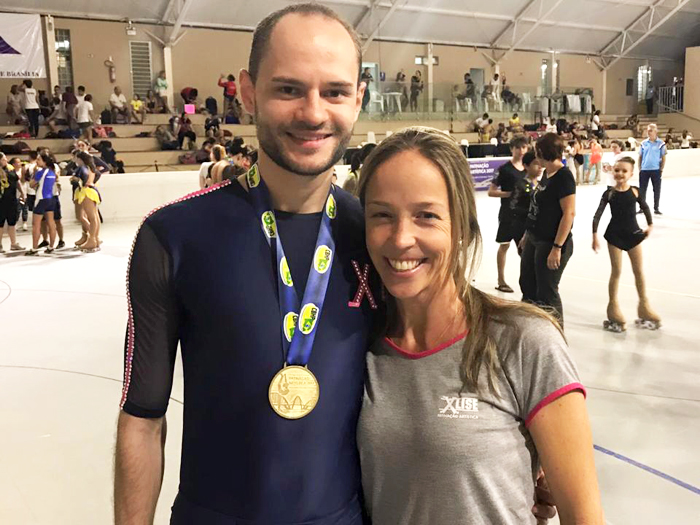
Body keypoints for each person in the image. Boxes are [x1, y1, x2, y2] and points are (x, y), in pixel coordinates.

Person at [114, 5, 558, 524]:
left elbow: (441, 348)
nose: (313, 112)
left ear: (358, 98)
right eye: (288, 89)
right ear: (248, 91)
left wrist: (517, 445)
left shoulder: (381, 240)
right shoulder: (174, 237)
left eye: (334, 91)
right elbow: (143, 420)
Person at [356, 127, 602, 525]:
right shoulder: (359, 350)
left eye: (427, 216)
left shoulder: (526, 342)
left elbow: (585, 517)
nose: (401, 238)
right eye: (381, 215)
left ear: (461, 230)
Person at [592, 157, 660, 331]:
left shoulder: (635, 192)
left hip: (633, 235)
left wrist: (650, 225)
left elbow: (644, 207)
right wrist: (594, 235)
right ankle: (613, 309)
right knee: (616, 272)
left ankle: (644, 307)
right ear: (612, 172)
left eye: (624, 171)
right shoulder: (609, 193)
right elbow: (598, 214)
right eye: (617, 170)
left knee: (638, 272)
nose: (620, 173)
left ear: (631, 173)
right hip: (614, 236)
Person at [518, 133, 576, 325]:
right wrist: (527, 234)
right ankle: (532, 327)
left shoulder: (564, 177)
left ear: (542, 152)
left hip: (551, 241)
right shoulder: (546, 175)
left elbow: (569, 214)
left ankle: (555, 333)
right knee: (527, 284)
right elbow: (537, 209)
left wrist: (557, 247)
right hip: (535, 237)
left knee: (547, 291)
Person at [488, 136, 528, 293]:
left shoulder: (528, 169)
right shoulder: (504, 169)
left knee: (524, 249)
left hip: (523, 215)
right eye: (518, 147)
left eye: (524, 147)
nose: (521, 151)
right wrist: (509, 194)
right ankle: (501, 280)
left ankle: (528, 280)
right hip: (507, 214)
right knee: (504, 245)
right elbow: (491, 192)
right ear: (512, 149)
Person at [25, 153, 57, 255]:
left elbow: (31, 184)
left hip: (41, 199)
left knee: (36, 225)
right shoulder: (52, 172)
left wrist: (34, 174)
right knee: (51, 223)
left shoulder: (40, 172)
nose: (37, 161)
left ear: (44, 162)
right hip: (50, 199)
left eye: (39, 160)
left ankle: (34, 248)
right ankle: (51, 246)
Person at [510, 150, 542, 250]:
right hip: (522, 226)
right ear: (526, 166)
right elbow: (513, 206)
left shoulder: (542, 184)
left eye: (540, 163)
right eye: (536, 164)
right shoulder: (520, 184)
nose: (540, 167)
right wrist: (531, 212)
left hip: (538, 227)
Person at [72, 151, 102, 252]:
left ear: (80, 159)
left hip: (87, 191)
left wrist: (78, 180)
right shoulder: (91, 167)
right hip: (92, 190)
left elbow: (83, 177)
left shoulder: (83, 168)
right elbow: (98, 174)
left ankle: (92, 239)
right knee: (94, 217)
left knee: (92, 217)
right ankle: (94, 238)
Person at [638, 123, 666, 215]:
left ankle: (656, 207)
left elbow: (663, 157)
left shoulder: (661, 144)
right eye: (648, 130)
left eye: (651, 130)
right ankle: (642, 207)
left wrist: (661, 169)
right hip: (644, 170)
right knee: (642, 190)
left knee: (656, 189)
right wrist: (640, 168)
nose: (648, 132)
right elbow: (640, 157)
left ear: (655, 131)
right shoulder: (643, 143)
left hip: (655, 170)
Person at [0, 153, 25, 252]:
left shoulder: (10, 168)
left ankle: (13, 243)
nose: (6, 160)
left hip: (12, 199)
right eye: (4, 159)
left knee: (12, 222)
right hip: (1, 200)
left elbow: (17, 181)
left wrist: (22, 192)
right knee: (0, 223)